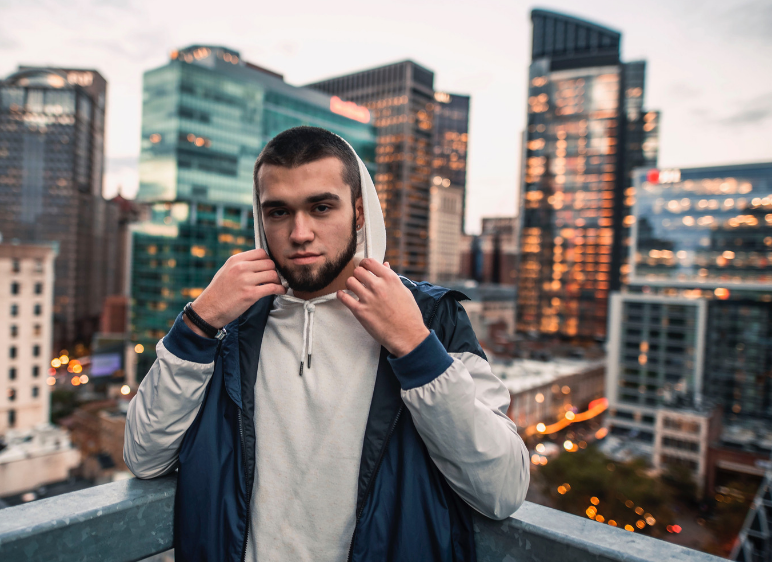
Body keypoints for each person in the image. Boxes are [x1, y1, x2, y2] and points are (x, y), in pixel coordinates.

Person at [124, 126, 529, 561]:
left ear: (358, 213)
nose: (300, 233)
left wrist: (415, 348)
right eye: (278, 212)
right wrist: (197, 325)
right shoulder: (228, 323)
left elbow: (502, 490)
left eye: (321, 207)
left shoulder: (432, 317)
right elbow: (144, 457)